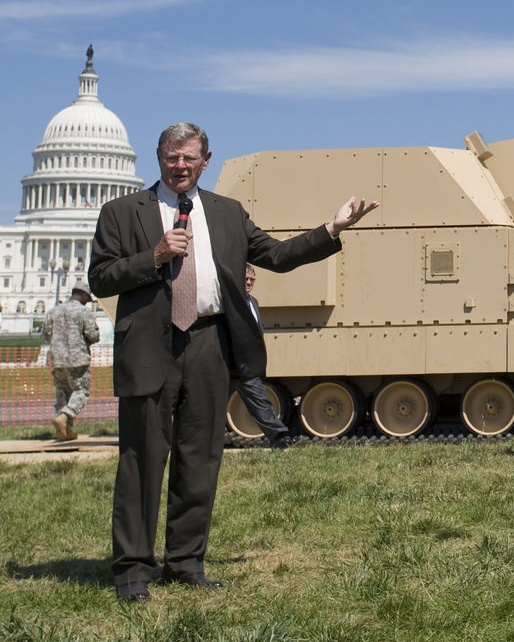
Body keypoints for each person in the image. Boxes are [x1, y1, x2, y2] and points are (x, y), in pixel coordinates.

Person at [90, 122, 377, 603]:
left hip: (208, 344)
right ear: (157, 157)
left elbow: (279, 256)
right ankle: (133, 570)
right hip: (148, 348)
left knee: (199, 459)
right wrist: (154, 256)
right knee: (141, 461)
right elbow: (100, 278)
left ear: (205, 160)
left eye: (189, 158)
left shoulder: (227, 213)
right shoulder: (122, 212)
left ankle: (185, 563)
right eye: (170, 157)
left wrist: (333, 228)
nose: (179, 166)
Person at [234, 265, 293, 448]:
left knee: (260, 399)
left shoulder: (253, 302)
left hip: (246, 364)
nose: (249, 283)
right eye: (245, 279)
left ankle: (280, 438)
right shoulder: (229, 302)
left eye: (252, 280)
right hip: (226, 360)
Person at [43, 280, 100, 442]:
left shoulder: (53, 311)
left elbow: (46, 334)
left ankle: (66, 430)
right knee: (81, 391)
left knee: (63, 392)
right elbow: (93, 335)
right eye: (87, 300)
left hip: (57, 359)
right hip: (78, 359)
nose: (87, 303)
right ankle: (65, 417)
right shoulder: (83, 312)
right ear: (83, 295)